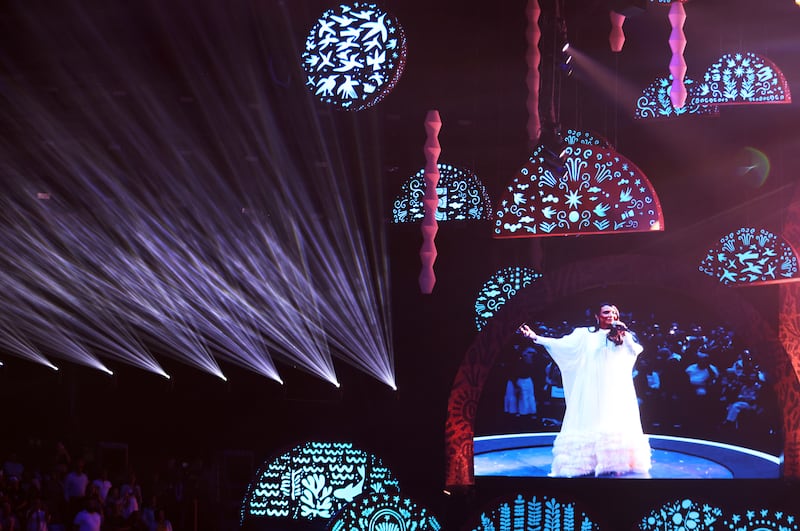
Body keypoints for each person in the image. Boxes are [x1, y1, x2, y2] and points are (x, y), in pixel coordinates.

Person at [518, 302, 651, 477]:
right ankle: (584, 462)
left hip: (615, 387)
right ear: (597, 316)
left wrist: (623, 334)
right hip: (591, 386)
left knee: (613, 418)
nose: (610, 315)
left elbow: (635, 351)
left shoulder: (623, 336)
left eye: (613, 312)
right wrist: (536, 337)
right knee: (591, 417)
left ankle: (613, 461)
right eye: (605, 312)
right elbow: (560, 345)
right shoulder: (584, 334)